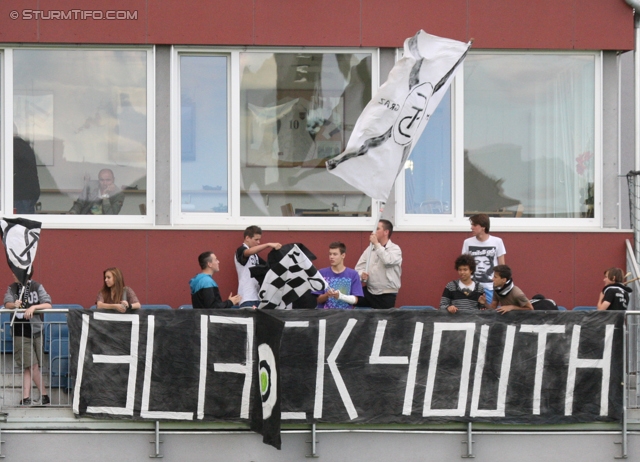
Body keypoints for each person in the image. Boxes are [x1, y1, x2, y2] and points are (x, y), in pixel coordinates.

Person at [3, 273, 51, 405]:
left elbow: (48, 304)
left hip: (36, 330)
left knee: (29, 366)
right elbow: (6, 303)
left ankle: (26, 397)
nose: (13, 274)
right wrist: (14, 304)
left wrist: (34, 307)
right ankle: (45, 395)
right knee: (32, 365)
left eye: (16, 272)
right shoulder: (12, 288)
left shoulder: (36, 286)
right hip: (20, 331)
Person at [355, 219, 402, 309]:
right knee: (350, 296)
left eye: (377, 229)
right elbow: (358, 268)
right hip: (369, 291)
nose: (373, 232)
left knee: (381, 319)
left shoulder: (395, 249)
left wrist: (376, 244)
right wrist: (361, 275)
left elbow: (388, 261)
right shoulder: (369, 249)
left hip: (386, 294)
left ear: (386, 232)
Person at [462, 214, 506, 305]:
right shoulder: (467, 242)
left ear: (483, 227)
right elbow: (464, 265)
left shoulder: (497, 241)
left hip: (490, 287)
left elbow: (502, 266)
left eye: (474, 225)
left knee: (490, 314)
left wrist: (501, 285)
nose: (471, 228)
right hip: (472, 287)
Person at [234, 226, 281, 308]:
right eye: (256, 240)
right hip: (247, 297)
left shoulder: (255, 255)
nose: (258, 242)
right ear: (247, 238)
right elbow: (247, 252)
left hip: (258, 296)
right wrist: (268, 244)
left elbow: (267, 266)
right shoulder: (241, 250)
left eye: (259, 240)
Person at [313, 242, 363, 309]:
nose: (331, 257)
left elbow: (355, 300)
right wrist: (327, 295)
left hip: (346, 317)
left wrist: (341, 296)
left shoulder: (353, 274)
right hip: (325, 317)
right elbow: (318, 300)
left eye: (335, 254)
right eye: (330, 254)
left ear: (343, 255)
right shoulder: (321, 273)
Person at [13, 133, 41, 214]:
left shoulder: (13, 147)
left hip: (20, 194)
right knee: (26, 223)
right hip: (29, 192)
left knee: (20, 224)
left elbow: (10, 170)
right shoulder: (23, 145)